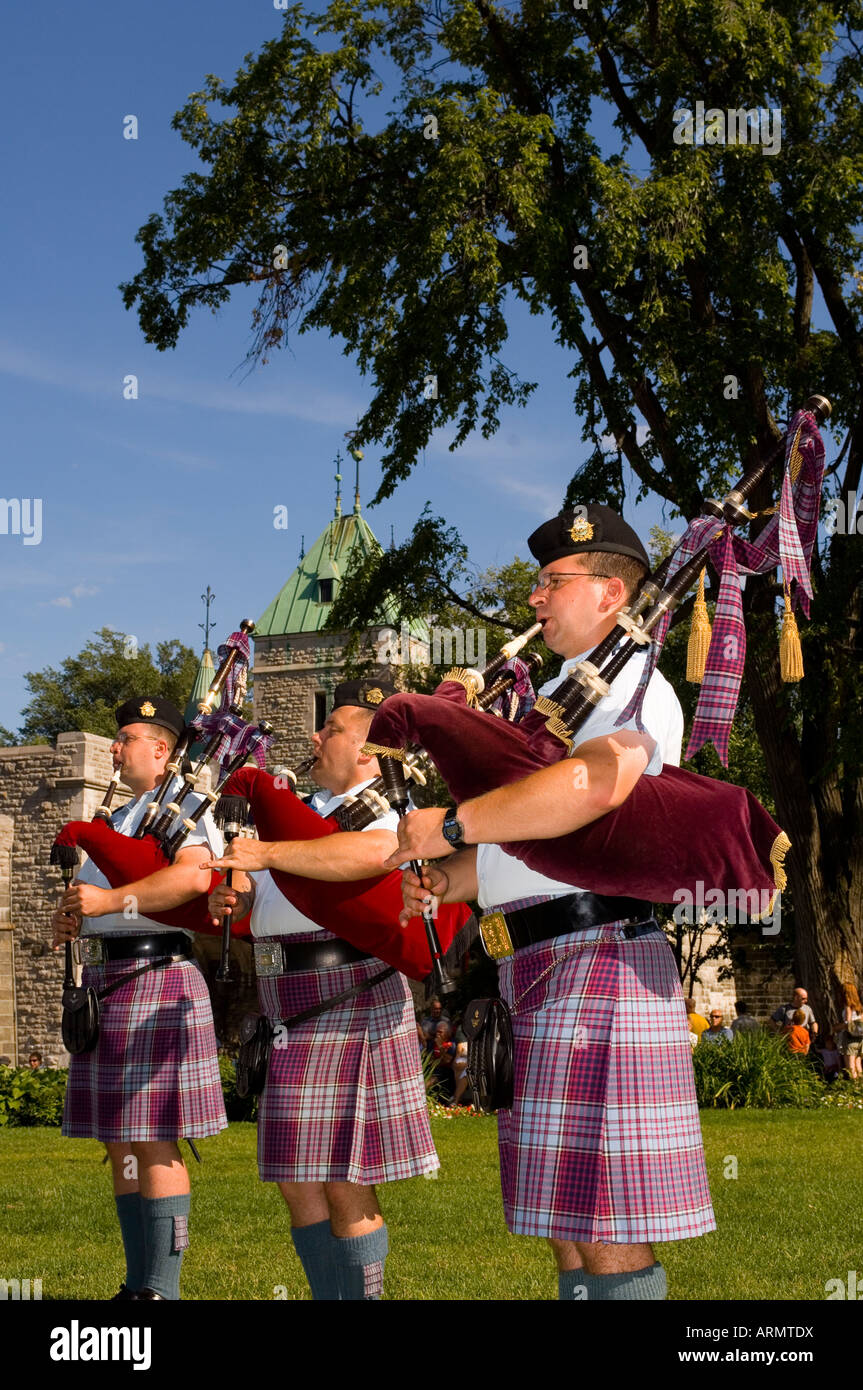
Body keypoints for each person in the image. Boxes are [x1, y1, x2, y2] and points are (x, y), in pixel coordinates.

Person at [395, 505, 715, 1301]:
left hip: (596, 959)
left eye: (551, 582)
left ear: (610, 593)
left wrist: (452, 822)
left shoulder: (632, 683)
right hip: (535, 965)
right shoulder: (560, 700)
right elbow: (529, 843)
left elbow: (593, 785)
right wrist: (452, 876)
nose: (534, 599)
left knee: (606, 1226)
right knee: (569, 1227)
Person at [207, 677, 438, 1301]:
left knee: (343, 1177)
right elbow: (273, 888)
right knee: (296, 1177)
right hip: (285, 992)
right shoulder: (305, 811)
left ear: (370, 750)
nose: (315, 736)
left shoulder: (393, 809)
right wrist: (233, 895)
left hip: (350, 989)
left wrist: (267, 853)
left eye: (331, 728)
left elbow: (365, 856)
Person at [52, 697, 226, 1301]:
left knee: (153, 1134)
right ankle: (137, 1283)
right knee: (120, 1140)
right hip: (106, 983)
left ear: (161, 749)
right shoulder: (119, 816)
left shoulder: (184, 807)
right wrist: (77, 917)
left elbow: (192, 879)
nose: (115, 748)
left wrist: (109, 905)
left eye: (126, 738)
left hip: (157, 977)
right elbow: (98, 897)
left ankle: (163, 1287)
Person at [836, 982, 863, 1079]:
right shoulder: (859, 1006)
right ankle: (860, 1086)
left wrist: (836, 1028)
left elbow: (848, 1023)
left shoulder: (848, 1006)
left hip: (850, 1038)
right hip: (860, 1038)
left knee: (850, 1065)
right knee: (858, 1063)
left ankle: (854, 1086)